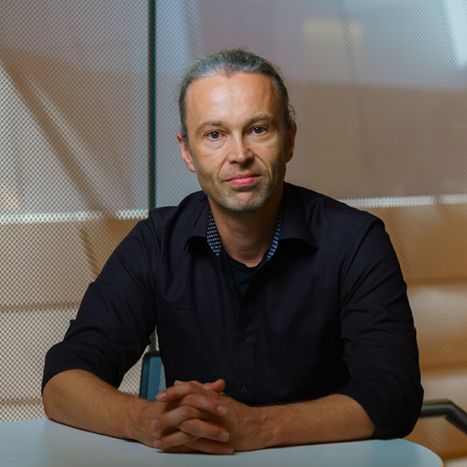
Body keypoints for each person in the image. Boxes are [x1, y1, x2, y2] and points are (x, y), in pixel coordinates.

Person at [42, 48, 423, 454]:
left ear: (290, 138)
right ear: (187, 151)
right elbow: (63, 379)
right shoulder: (156, 243)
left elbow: (393, 394)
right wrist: (146, 421)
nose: (239, 154)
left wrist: (259, 427)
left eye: (258, 129)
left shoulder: (356, 241)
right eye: (214, 135)